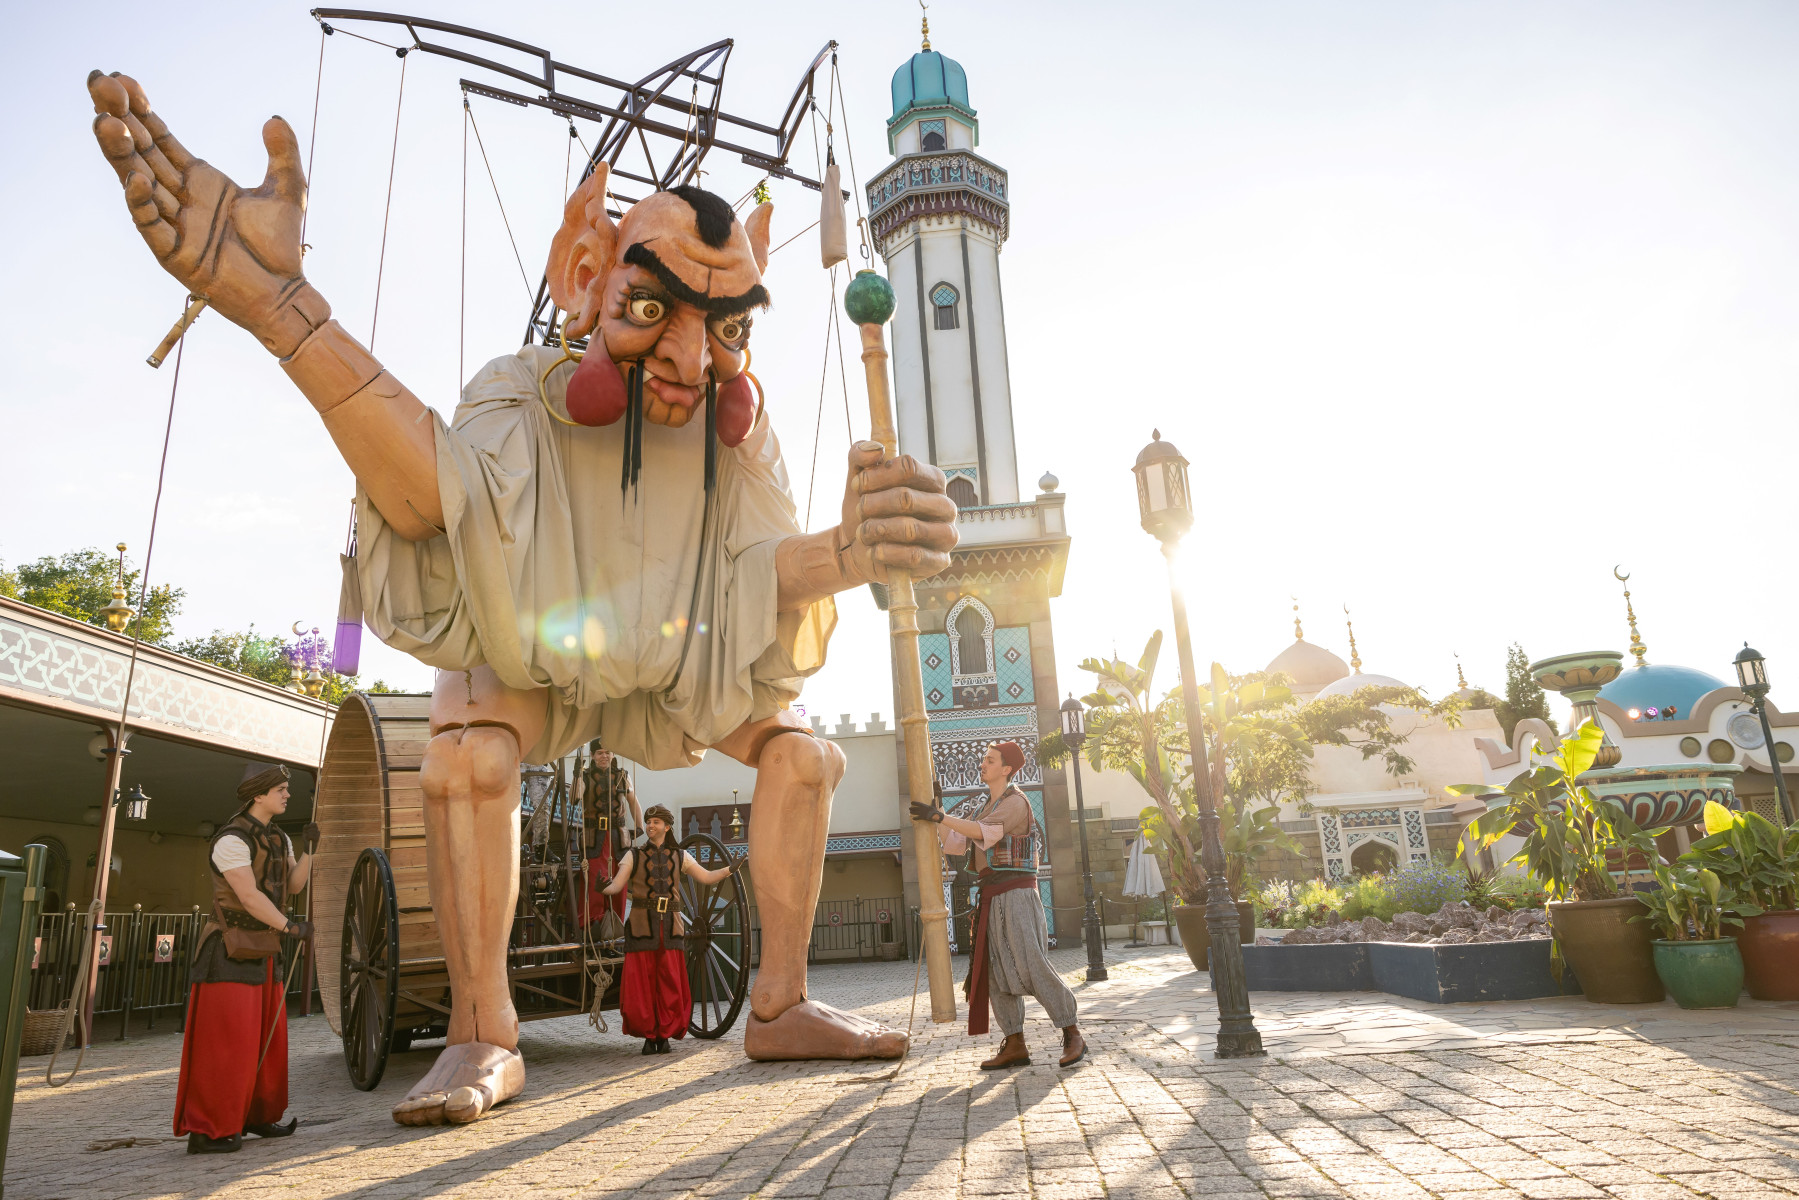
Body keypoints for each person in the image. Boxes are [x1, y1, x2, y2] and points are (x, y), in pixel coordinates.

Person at [88, 75, 957, 1124]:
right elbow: (437, 505)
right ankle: (480, 1033)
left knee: (805, 757)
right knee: (465, 759)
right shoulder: (516, 393)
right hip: (537, 665)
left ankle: (778, 1004)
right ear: (585, 277)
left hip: (677, 673)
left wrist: (849, 549)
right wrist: (285, 311)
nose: (690, 358)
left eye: (724, 328)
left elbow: (760, 568)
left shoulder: (736, 431)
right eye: (653, 311)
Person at [911, 742, 1086, 1070]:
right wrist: (935, 817)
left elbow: (982, 833)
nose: (983, 764)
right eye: (983, 760)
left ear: (1006, 769)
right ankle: (1015, 1042)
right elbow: (958, 842)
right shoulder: (983, 806)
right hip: (992, 897)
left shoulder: (1016, 802)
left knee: (1032, 964)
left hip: (1018, 895)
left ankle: (1072, 1031)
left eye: (990, 761)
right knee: (994, 969)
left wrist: (941, 815)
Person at [173, 763, 316, 1153]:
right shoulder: (231, 840)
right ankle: (209, 1130)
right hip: (229, 951)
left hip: (264, 950)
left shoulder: (279, 838)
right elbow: (249, 897)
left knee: (264, 1043)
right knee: (226, 1044)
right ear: (258, 794)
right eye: (282, 789)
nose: (288, 795)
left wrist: (311, 851)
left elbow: (293, 885)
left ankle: (254, 1116)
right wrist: (290, 928)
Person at [600, 805, 740, 1054]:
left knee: (669, 981)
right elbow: (617, 886)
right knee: (642, 984)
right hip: (642, 926)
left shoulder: (681, 856)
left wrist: (729, 869)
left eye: (655, 822)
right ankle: (648, 1035)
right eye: (648, 822)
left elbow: (706, 877)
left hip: (671, 926)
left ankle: (663, 1036)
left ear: (667, 827)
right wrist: (604, 887)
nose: (650, 826)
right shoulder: (633, 855)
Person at [580, 745, 643, 926]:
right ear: (592, 755)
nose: (604, 756)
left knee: (619, 878)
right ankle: (594, 926)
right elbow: (574, 797)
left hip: (618, 836)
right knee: (595, 878)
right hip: (594, 836)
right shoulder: (584, 776)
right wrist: (577, 774)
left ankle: (616, 926)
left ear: (613, 754)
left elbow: (633, 800)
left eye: (607, 752)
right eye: (599, 753)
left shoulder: (622, 775)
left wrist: (639, 826)